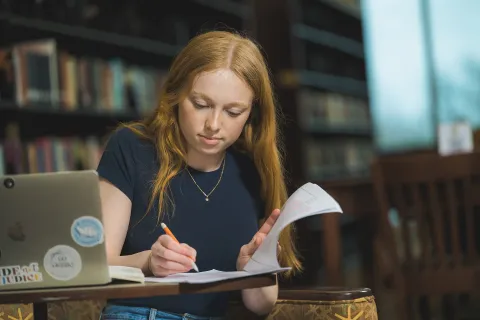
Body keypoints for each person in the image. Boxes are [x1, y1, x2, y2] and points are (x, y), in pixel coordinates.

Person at [97, 30, 302, 320]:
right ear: (177, 94)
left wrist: (256, 269)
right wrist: (148, 262)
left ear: (251, 113)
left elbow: (262, 305)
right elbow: (95, 268)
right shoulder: (130, 148)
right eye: (201, 104)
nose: (213, 124)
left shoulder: (251, 170)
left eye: (233, 111)